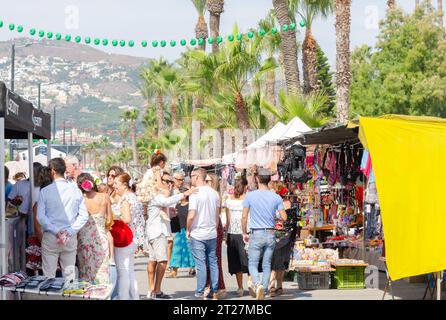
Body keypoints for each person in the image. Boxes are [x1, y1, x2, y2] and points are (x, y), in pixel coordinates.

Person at [146, 169, 196, 299]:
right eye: (166, 181)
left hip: (156, 231)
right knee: (161, 261)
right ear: (158, 182)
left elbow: (168, 204)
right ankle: (156, 290)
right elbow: (165, 202)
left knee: (153, 260)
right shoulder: (157, 195)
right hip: (158, 232)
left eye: (170, 182)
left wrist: (170, 211)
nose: (169, 184)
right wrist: (186, 193)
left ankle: (152, 289)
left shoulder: (160, 194)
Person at [36, 158, 89, 281]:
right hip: (69, 236)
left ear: (53, 171)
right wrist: (69, 231)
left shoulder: (45, 191)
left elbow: (40, 217)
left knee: (48, 276)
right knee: (69, 276)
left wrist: (55, 231)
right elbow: (84, 216)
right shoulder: (75, 190)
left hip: (51, 236)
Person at [241, 168, 287, 300]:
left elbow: (244, 217)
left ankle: (257, 284)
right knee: (267, 264)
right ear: (269, 179)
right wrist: (274, 215)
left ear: (257, 179)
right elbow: (284, 217)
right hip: (270, 233)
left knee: (253, 263)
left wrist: (244, 231)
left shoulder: (250, 196)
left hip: (256, 233)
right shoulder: (276, 197)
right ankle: (264, 290)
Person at [187, 168, 220, 300]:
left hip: (198, 233)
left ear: (197, 177)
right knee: (213, 262)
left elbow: (191, 215)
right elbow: (217, 215)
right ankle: (214, 290)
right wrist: (215, 228)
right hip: (211, 232)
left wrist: (188, 229)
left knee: (200, 264)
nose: (190, 179)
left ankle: (200, 292)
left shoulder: (195, 194)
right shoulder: (215, 193)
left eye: (191, 176)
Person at [76, 173, 113, 284]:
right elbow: (109, 219)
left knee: (85, 272)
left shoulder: (80, 200)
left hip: (83, 239)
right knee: (102, 271)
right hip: (101, 238)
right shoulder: (105, 197)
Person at [113, 173, 144, 300]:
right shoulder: (133, 197)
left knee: (123, 272)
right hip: (134, 238)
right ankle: (134, 297)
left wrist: (112, 218)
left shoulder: (126, 199)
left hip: (125, 239)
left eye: (116, 183)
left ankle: (123, 297)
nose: (114, 186)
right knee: (129, 271)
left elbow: (126, 219)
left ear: (124, 185)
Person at [269, 196, 298, 297]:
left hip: (278, 236)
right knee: (280, 262)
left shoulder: (277, 203)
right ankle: (278, 286)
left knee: (275, 261)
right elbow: (293, 222)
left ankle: (273, 286)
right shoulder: (287, 203)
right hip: (285, 236)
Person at [224, 178, 249, 297]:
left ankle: (240, 287)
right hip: (245, 233)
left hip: (232, 233)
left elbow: (228, 220)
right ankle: (251, 283)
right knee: (248, 259)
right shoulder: (247, 200)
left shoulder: (229, 200)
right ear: (245, 187)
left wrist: (226, 235)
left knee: (236, 261)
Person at [204, 172, 226, 298]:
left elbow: (215, 215)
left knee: (214, 259)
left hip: (214, 227)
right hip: (208, 226)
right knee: (208, 259)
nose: (206, 183)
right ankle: (213, 286)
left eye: (208, 181)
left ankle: (216, 287)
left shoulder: (214, 195)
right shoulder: (209, 194)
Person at [168, 185, 196, 278]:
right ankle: (174, 270)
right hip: (179, 231)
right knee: (176, 250)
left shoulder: (190, 205)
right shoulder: (177, 205)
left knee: (189, 250)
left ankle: (193, 268)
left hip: (189, 230)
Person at [9, 162, 43, 236]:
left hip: (38, 228)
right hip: (27, 227)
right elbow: (10, 202)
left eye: (37, 172)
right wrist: (16, 202)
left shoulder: (44, 188)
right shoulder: (19, 184)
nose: (35, 174)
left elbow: (23, 212)